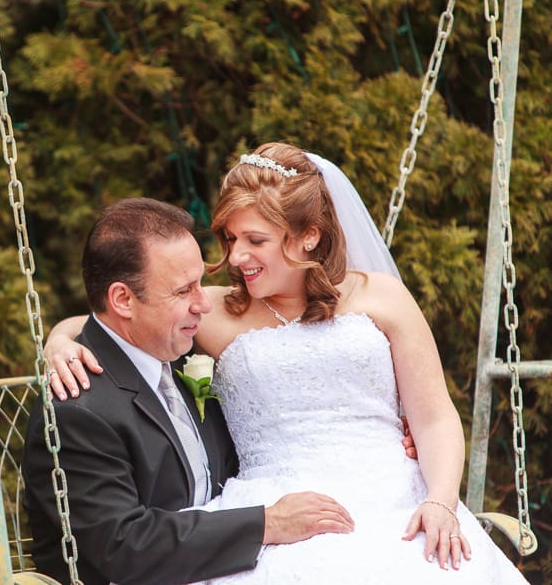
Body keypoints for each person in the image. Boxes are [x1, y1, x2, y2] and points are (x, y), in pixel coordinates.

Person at [43, 143, 529, 584]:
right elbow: (110, 318)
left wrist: (440, 500)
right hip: (273, 503)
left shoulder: (382, 297)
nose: (236, 257)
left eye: (255, 240)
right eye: (230, 239)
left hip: (397, 495)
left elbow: (435, 416)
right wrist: (58, 343)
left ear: (309, 236)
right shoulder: (212, 311)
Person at [22, 197, 359, 585]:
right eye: (184, 291)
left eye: (201, 282)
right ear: (122, 300)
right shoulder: (78, 409)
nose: (204, 304)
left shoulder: (181, 356)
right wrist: (268, 524)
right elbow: (124, 546)